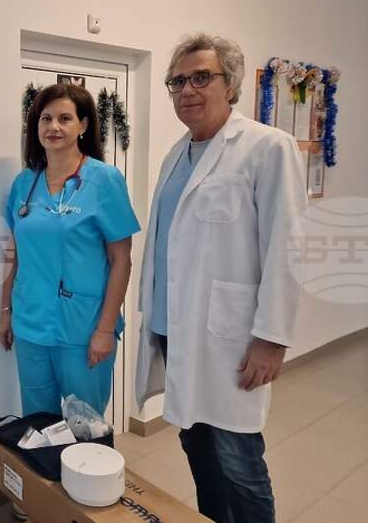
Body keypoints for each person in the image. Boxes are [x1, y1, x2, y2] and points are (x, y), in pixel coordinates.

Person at [135, 34, 307, 523]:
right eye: (177, 82)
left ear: (230, 85)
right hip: (175, 329)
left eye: (200, 78)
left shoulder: (267, 147)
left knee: (239, 462)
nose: (187, 90)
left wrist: (272, 339)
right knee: (197, 446)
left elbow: (287, 249)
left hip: (231, 339)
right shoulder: (176, 155)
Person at [0, 83, 140, 418]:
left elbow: (121, 261)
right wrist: (5, 310)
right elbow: (14, 253)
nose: (54, 127)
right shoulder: (24, 183)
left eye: (65, 118)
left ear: (83, 125)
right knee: (38, 424)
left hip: (84, 328)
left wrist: (104, 330)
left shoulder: (104, 180)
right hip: (30, 325)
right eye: (45, 118)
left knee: (86, 425)